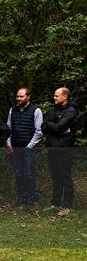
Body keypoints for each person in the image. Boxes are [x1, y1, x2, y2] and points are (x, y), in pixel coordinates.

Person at [41, 87, 78, 217]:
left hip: (64, 150)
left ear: (65, 97)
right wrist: (54, 127)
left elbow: (59, 127)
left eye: (57, 96)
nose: (54, 98)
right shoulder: (52, 110)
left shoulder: (71, 111)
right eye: (54, 96)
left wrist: (52, 125)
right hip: (52, 148)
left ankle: (67, 206)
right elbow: (43, 127)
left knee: (65, 177)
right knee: (55, 177)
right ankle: (55, 203)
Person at [5, 88, 43, 208]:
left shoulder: (36, 110)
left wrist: (29, 146)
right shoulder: (12, 110)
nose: (19, 99)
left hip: (28, 149)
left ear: (28, 97)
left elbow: (39, 131)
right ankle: (21, 199)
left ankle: (30, 200)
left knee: (30, 174)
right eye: (17, 96)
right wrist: (9, 143)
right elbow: (8, 128)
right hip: (15, 148)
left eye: (21, 96)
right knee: (19, 174)